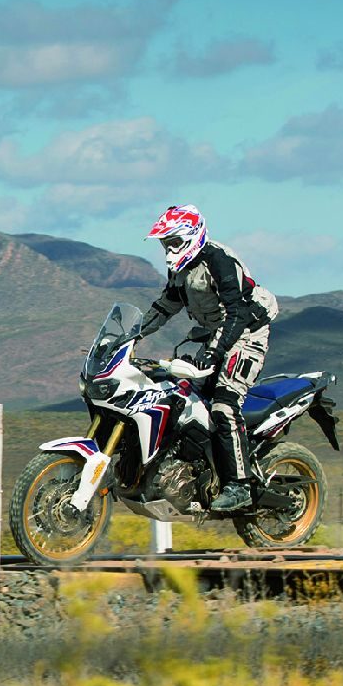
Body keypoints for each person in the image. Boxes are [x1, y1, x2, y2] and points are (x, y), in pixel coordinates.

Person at [131, 204, 278, 514]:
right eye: (165, 244)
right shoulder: (180, 269)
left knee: (225, 403)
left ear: (192, 236)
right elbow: (165, 306)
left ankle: (239, 485)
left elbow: (236, 313)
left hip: (247, 332)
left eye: (174, 243)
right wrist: (130, 336)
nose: (169, 251)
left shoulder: (219, 260)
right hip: (218, 333)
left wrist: (213, 352)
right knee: (184, 398)